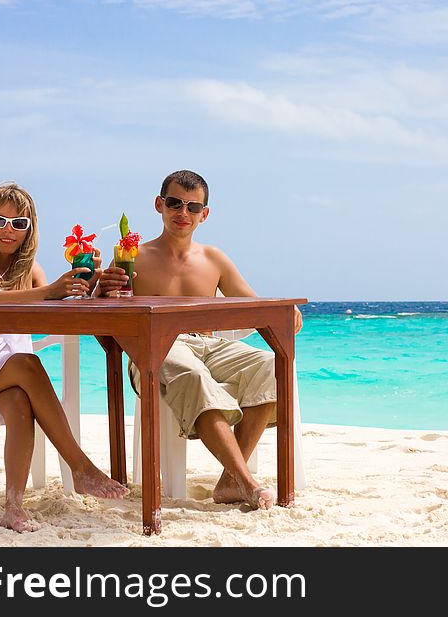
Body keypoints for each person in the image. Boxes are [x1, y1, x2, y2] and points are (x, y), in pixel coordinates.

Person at [0, 182, 129, 533]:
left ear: (29, 229)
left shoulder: (30, 270)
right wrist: (50, 290)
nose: (8, 231)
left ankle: (13, 508)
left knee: (21, 399)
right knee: (28, 362)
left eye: (19, 224)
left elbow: (57, 309)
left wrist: (90, 282)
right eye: (0, 220)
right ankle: (80, 467)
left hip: (1, 369)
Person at [97, 170, 302, 510]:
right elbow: (105, 317)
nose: (183, 213)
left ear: (204, 214)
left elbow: (253, 305)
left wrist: (286, 313)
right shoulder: (133, 258)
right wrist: (103, 292)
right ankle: (247, 481)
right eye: (175, 203)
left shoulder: (213, 259)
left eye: (193, 207)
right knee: (193, 376)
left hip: (210, 345)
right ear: (159, 205)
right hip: (154, 349)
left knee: (272, 366)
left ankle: (228, 481)